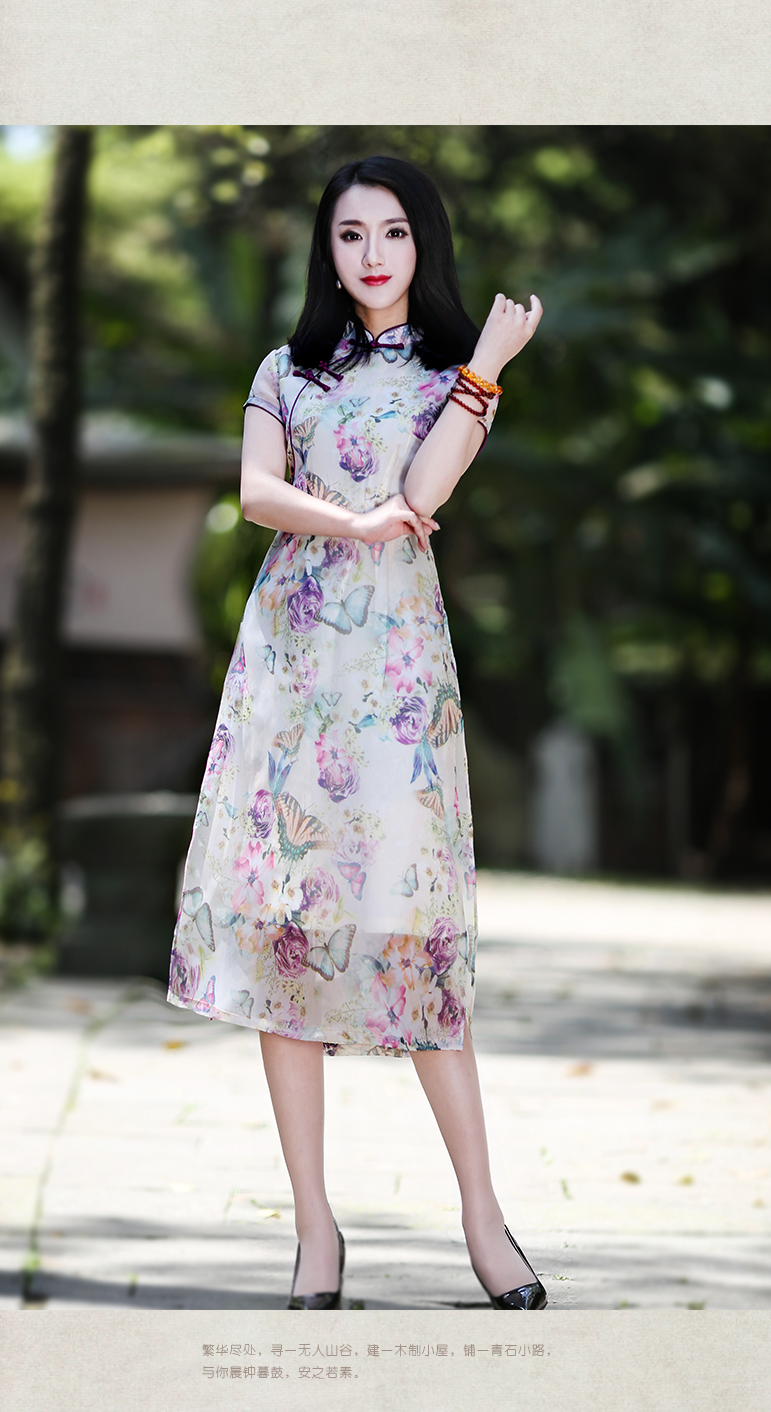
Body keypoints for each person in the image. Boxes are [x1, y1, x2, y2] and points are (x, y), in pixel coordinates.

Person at [167, 155, 545, 1311]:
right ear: (325, 251)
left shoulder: (449, 374)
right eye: (348, 235)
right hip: (289, 665)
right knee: (287, 936)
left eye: (392, 232)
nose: (371, 255)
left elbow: (424, 493)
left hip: (394, 676)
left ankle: (483, 1220)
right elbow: (256, 493)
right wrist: (357, 522)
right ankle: (313, 1235)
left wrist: (485, 365)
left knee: (412, 934)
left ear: (423, 243)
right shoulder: (285, 368)